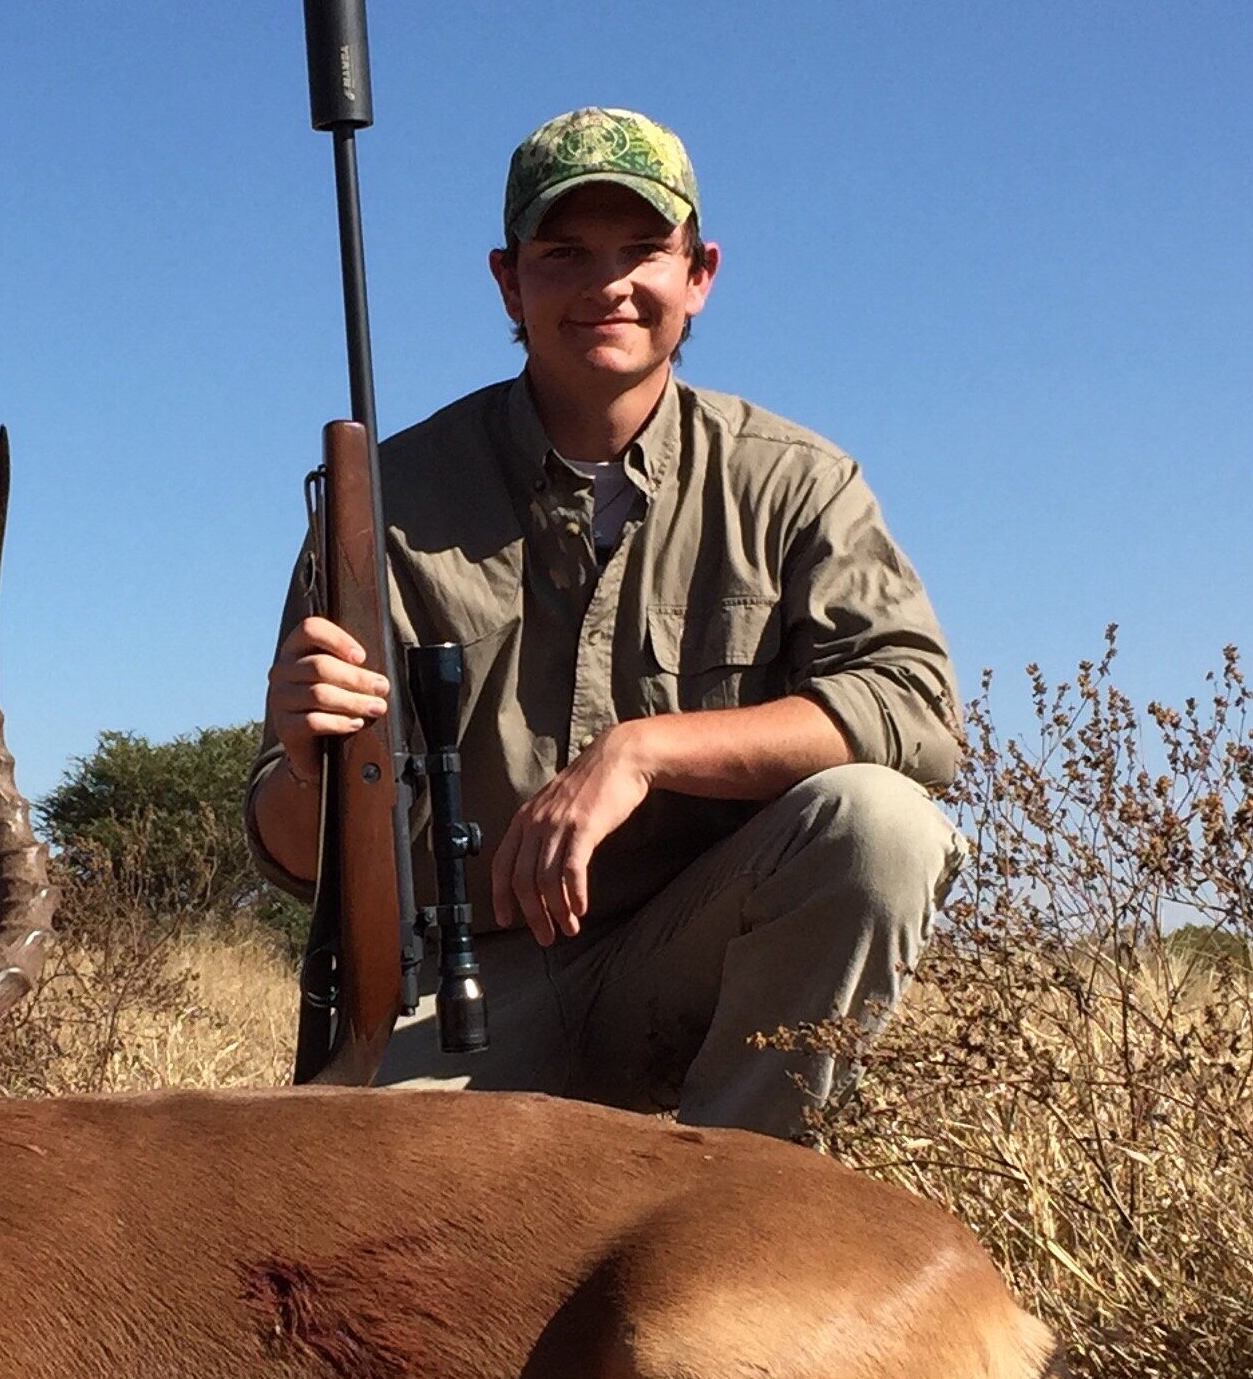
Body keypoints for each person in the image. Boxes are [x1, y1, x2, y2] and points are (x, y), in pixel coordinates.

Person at [245, 107, 963, 1139]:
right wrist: (310, 768)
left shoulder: (795, 481)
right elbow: (287, 851)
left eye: (642, 251)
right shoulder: (385, 502)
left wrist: (641, 753)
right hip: (467, 991)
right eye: (564, 253)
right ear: (508, 279)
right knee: (314, 1232)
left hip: (701, 958)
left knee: (878, 822)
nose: (605, 285)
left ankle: (739, 1210)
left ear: (698, 271)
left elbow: (913, 713)